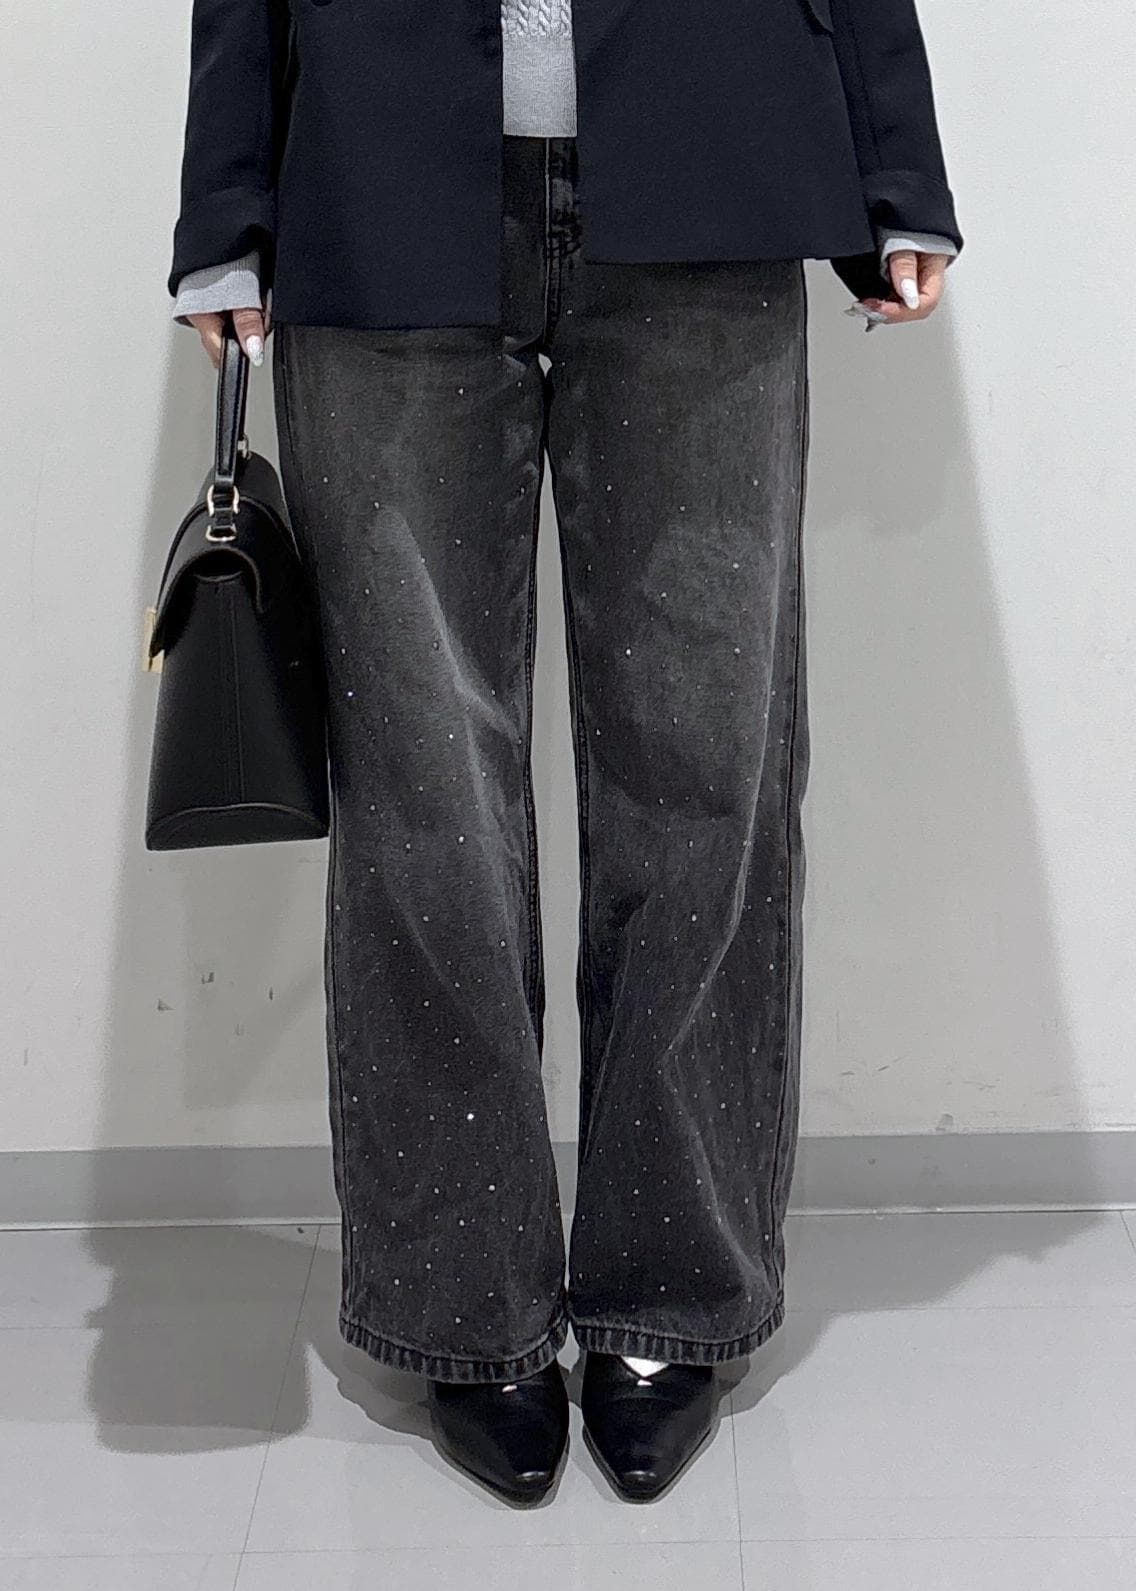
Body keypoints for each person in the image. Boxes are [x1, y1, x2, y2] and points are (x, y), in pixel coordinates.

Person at [168, 0, 962, 1505]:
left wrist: (893, 168)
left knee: (707, 761)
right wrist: (228, 201)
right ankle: (464, 1311)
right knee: (423, 786)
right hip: (380, 158)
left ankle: (674, 1296)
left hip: (712, 152)